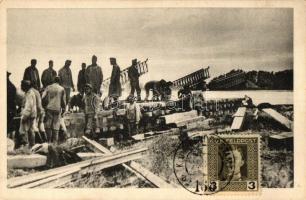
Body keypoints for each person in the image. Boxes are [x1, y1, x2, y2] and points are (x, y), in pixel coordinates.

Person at [42, 76, 66, 144]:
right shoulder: (62, 89)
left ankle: (49, 142)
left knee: (48, 125)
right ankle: (55, 143)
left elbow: (43, 97)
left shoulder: (48, 87)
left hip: (49, 108)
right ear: (59, 81)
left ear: (53, 80)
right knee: (56, 126)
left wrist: (44, 106)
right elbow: (63, 101)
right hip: (57, 109)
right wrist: (63, 109)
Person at [19, 80, 37, 147]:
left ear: (25, 86)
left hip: (28, 115)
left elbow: (29, 106)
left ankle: (26, 145)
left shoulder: (29, 94)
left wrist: (24, 116)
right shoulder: (29, 93)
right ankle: (32, 145)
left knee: (23, 130)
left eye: (22, 85)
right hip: (32, 114)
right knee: (30, 130)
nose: (21, 87)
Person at [7, 71, 17, 138]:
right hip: (12, 109)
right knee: (11, 127)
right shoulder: (12, 86)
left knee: (9, 127)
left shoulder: (8, 86)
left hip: (8, 109)